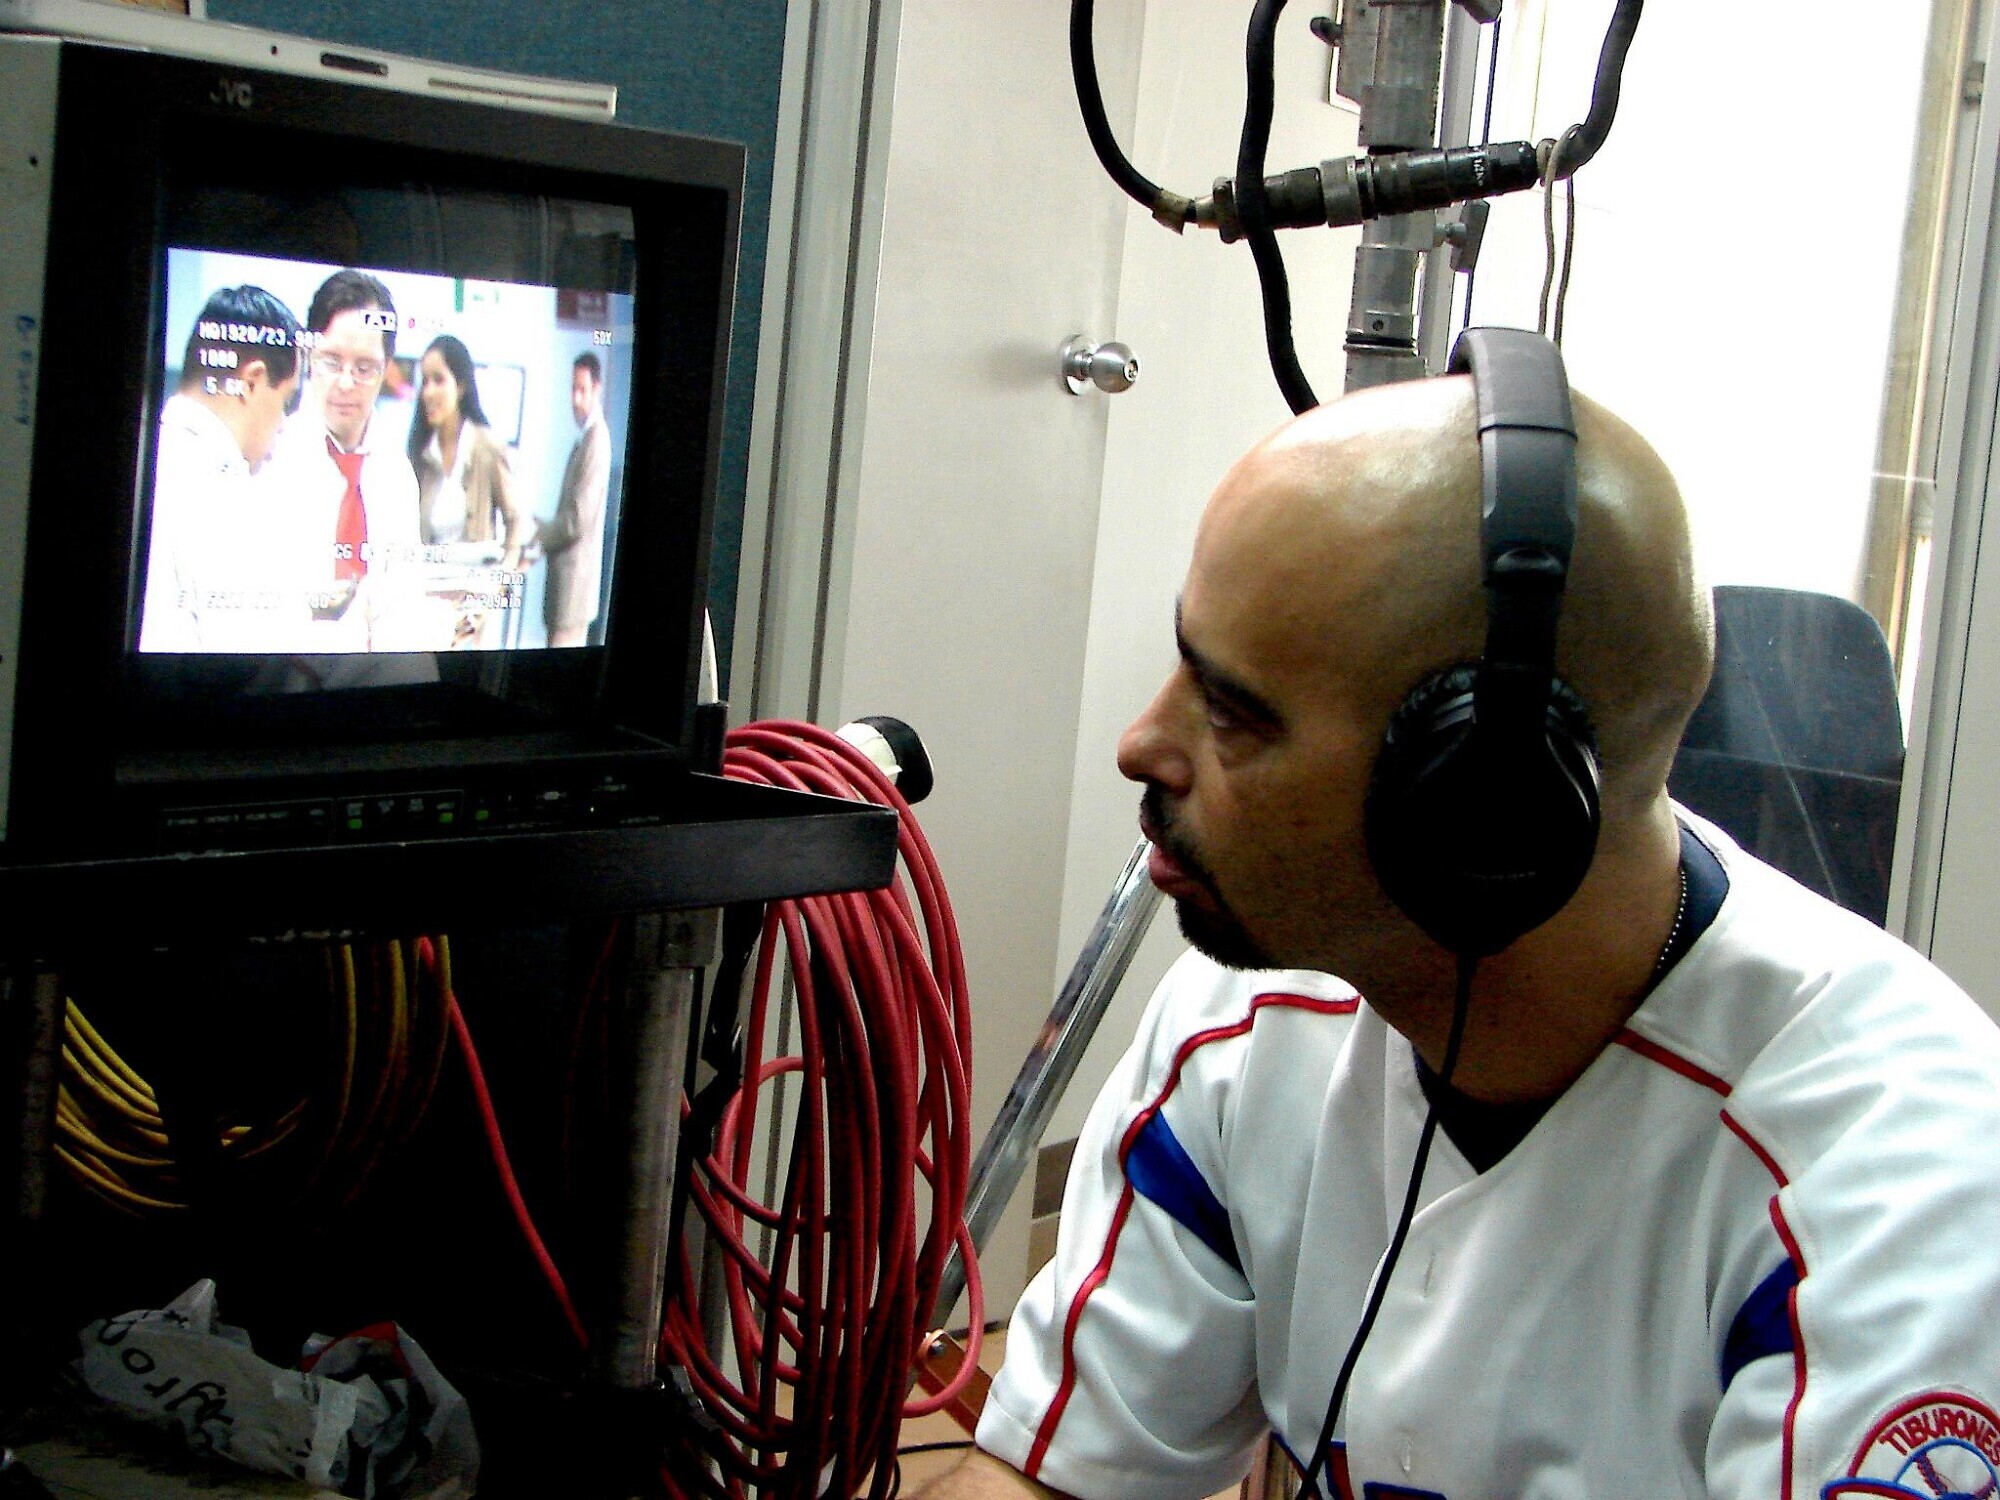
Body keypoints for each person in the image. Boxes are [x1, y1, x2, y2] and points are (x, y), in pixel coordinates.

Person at [932, 366, 2000, 1499]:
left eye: (1233, 712)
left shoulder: (1896, 1194)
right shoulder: (1245, 1025)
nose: (1141, 743)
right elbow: (1056, 1485)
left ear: (1481, 804)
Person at [140, 285, 306, 652]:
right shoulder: (220, 491)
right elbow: (252, 656)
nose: (283, 424)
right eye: (286, 401)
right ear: (252, 382)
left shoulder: (147, 457)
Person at [268, 267, 425, 652]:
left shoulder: (396, 473)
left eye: (364, 368)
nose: (345, 382)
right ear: (308, 355)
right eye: (331, 361)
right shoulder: (271, 457)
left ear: (387, 368)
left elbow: (403, 599)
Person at [407, 333, 531, 647]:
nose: (428, 392)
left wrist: (497, 585)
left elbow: (517, 522)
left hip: (475, 608)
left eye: (438, 380)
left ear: (461, 386)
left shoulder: (487, 447)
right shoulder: (420, 456)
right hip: (428, 605)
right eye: (424, 381)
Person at [538, 351, 612, 648]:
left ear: (597, 389)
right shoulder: (585, 438)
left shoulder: (597, 439)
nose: (575, 399)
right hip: (565, 593)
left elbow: (577, 521)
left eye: (582, 390)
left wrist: (539, 533)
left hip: (573, 597)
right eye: (573, 389)